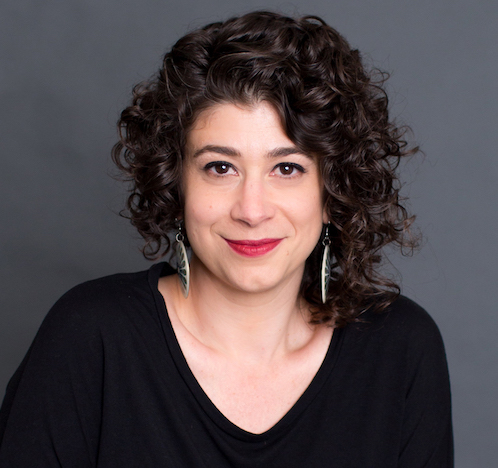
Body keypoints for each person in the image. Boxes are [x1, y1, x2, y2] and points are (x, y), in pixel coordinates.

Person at [0, 11, 453, 467]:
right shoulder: (89, 337)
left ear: (333, 192)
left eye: (287, 168)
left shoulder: (401, 350)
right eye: (220, 167)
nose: (252, 211)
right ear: (177, 184)